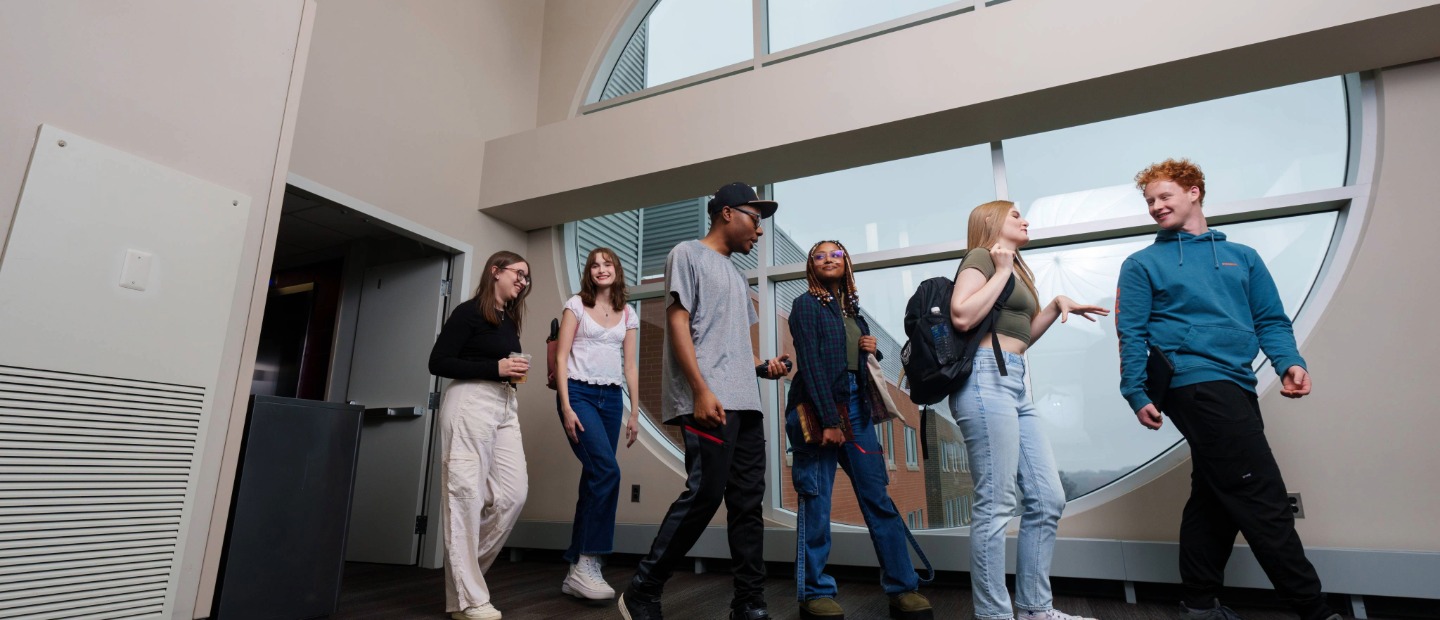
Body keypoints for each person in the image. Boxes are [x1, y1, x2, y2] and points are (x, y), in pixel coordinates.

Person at [1117, 159, 1338, 620]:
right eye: (1150, 201)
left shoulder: (1243, 257)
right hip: (1191, 382)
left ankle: (1199, 605)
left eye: (1164, 196)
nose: (1156, 206)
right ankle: (1314, 610)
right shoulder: (1141, 264)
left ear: (1193, 192)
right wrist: (1137, 392)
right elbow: (1131, 333)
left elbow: (1271, 320)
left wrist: (1289, 362)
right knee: (1263, 496)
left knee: (1214, 498)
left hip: (1237, 382)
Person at [619, 182, 791, 620]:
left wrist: (762, 366)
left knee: (747, 505)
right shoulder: (687, 254)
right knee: (705, 494)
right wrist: (699, 389)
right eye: (755, 219)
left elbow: (730, 345)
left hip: (746, 403)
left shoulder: (736, 275)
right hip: (709, 399)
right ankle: (643, 589)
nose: (760, 230)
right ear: (727, 213)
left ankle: (749, 602)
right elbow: (679, 323)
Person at [947, 201, 1108, 620]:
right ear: (991, 220)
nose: (1025, 220)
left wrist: (1053, 306)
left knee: (1048, 498)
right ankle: (994, 615)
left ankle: (1035, 609)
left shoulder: (1016, 267)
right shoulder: (983, 258)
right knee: (996, 503)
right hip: (984, 381)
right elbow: (962, 315)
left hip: (1014, 380)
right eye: (1016, 214)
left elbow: (1017, 338)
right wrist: (1001, 271)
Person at [785, 239, 934, 620]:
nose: (828, 259)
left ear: (847, 263)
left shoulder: (853, 312)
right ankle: (815, 592)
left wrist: (871, 348)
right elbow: (812, 365)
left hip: (858, 409)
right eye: (819, 255)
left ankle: (903, 587)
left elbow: (855, 362)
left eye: (836, 254)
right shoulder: (805, 305)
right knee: (816, 502)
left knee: (877, 499)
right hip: (820, 407)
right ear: (811, 266)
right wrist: (830, 420)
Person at [427, 250, 533, 620]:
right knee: (465, 497)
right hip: (470, 402)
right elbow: (438, 361)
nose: (523, 282)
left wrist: (508, 372)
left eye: (526, 278)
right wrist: (495, 367)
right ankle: (469, 598)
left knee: (512, 495)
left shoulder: (508, 320)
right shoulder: (468, 312)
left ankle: (462, 586)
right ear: (495, 271)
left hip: (504, 404)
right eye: (519, 274)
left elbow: (502, 365)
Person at [553, 246, 641, 600]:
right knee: (607, 472)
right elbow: (561, 357)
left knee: (594, 477)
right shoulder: (576, 305)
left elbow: (630, 366)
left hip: (611, 399)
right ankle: (590, 559)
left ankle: (576, 566)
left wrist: (634, 411)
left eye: (607, 264)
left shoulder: (628, 313)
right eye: (594, 265)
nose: (601, 269)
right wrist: (566, 406)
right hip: (578, 394)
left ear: (616, 269)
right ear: (588, 273)